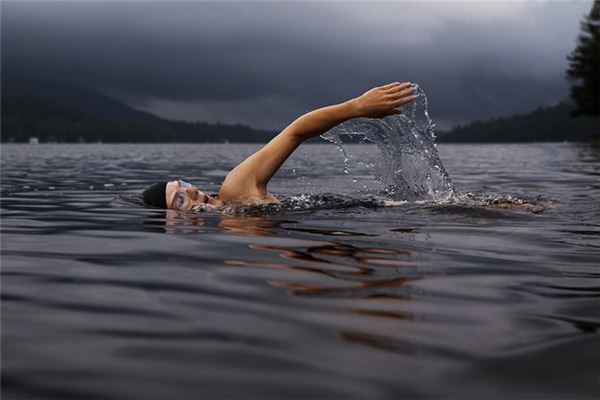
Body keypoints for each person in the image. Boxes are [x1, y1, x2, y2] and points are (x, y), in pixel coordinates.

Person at [142, 82, 417, 210]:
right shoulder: (231, 221)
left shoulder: (235, 190)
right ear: (173, 224)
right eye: (179, 199)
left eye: (183, 184)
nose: (191, 190)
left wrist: (356, 107)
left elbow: (295, 132)